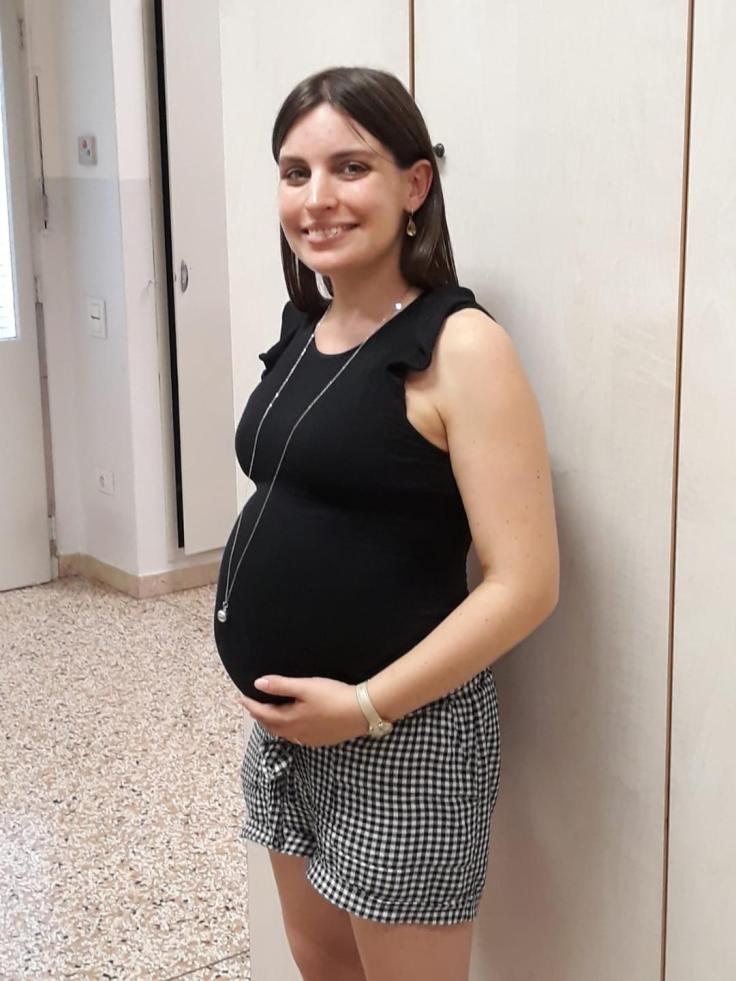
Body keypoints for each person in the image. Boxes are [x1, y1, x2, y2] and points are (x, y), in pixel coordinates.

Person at [213, 66, 559, 981]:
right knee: (323, 965)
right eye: (295, 173)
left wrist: (363, 707)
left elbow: (526, 584)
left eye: (350, 167)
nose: (317, 199)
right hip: (286, 733)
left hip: (403, 736)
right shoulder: (307, 326)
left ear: (415, 184)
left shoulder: (460, 347)